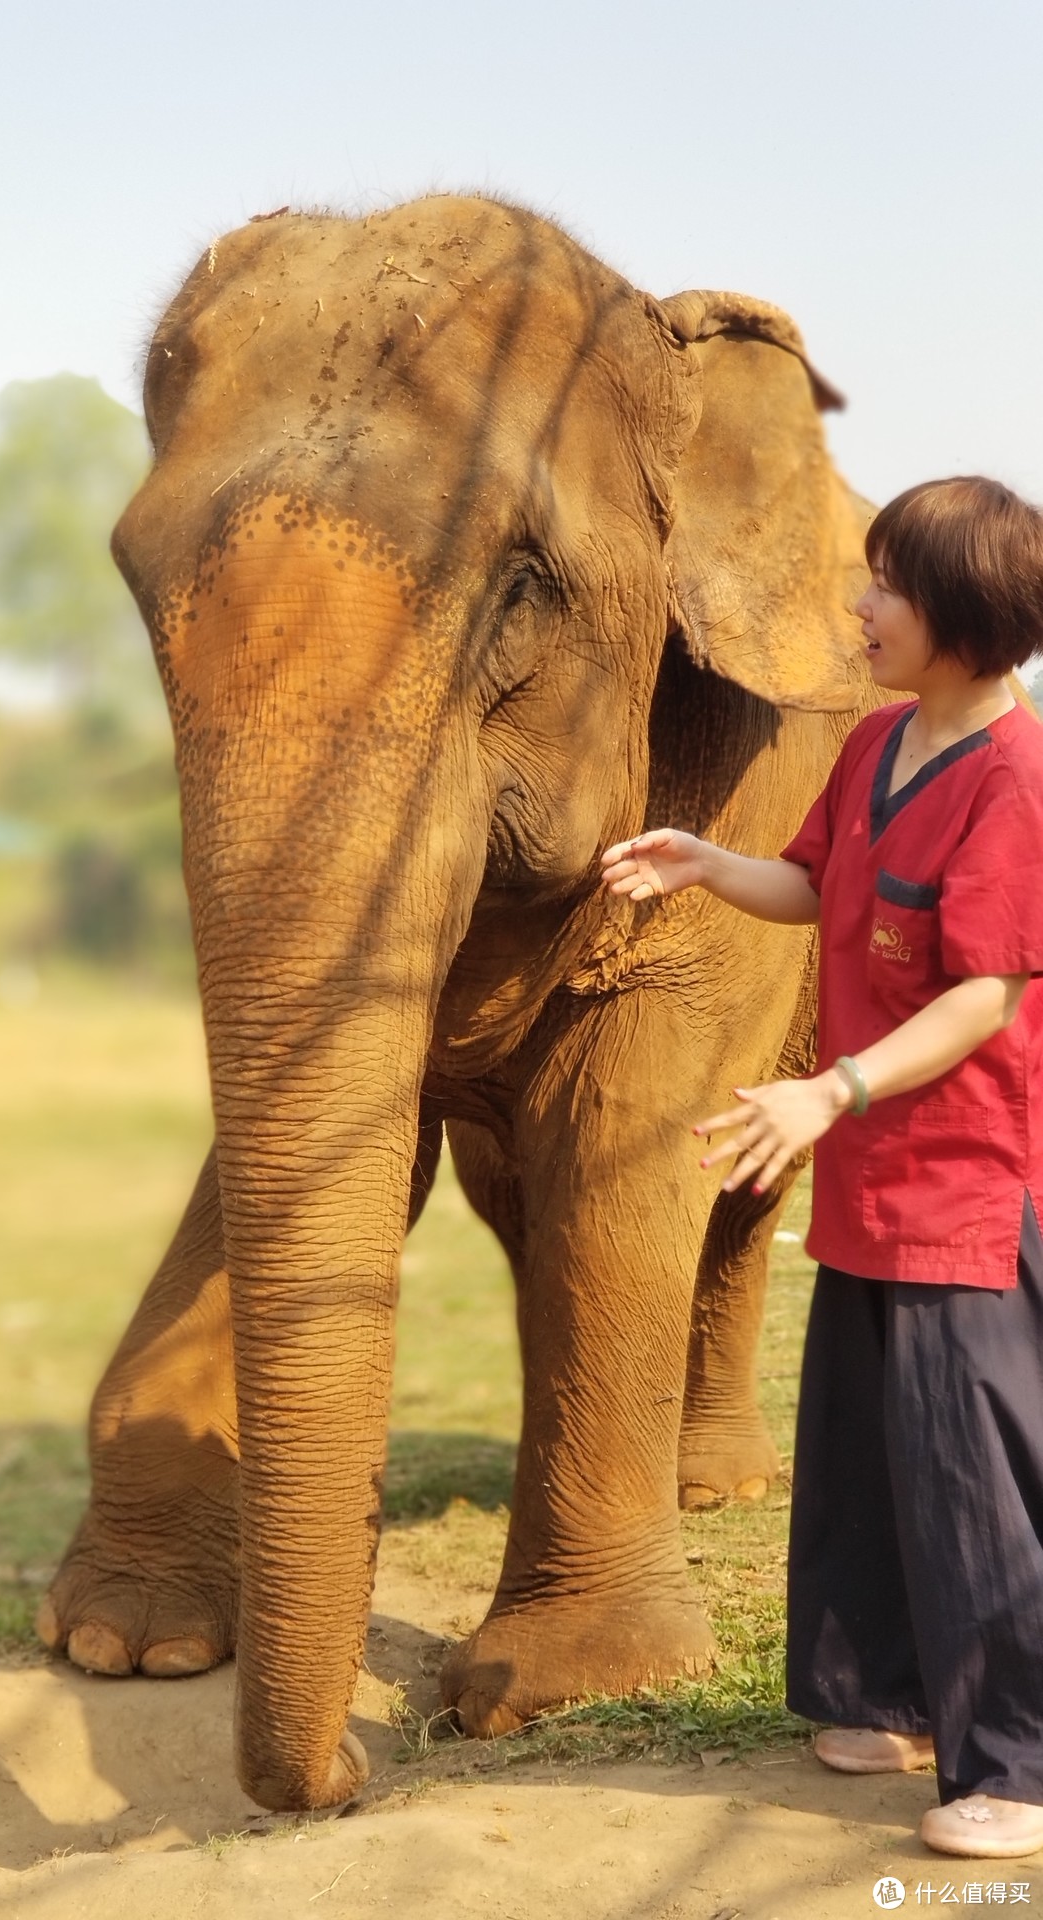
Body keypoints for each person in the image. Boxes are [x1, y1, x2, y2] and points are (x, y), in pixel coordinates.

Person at [601, 475, 1043, 1860]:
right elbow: (819, 885)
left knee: (972, 1468)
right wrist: (705, 862)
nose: (862, 608)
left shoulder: (1018, 781)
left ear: (967, 617)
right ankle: (887, 1699)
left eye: (888, 588)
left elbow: (988, 995)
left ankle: (1016, 1765)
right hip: (861, 1160)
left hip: (967, 1172)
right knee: (865, 1454)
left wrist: (830, 1087)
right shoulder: (876, 748)